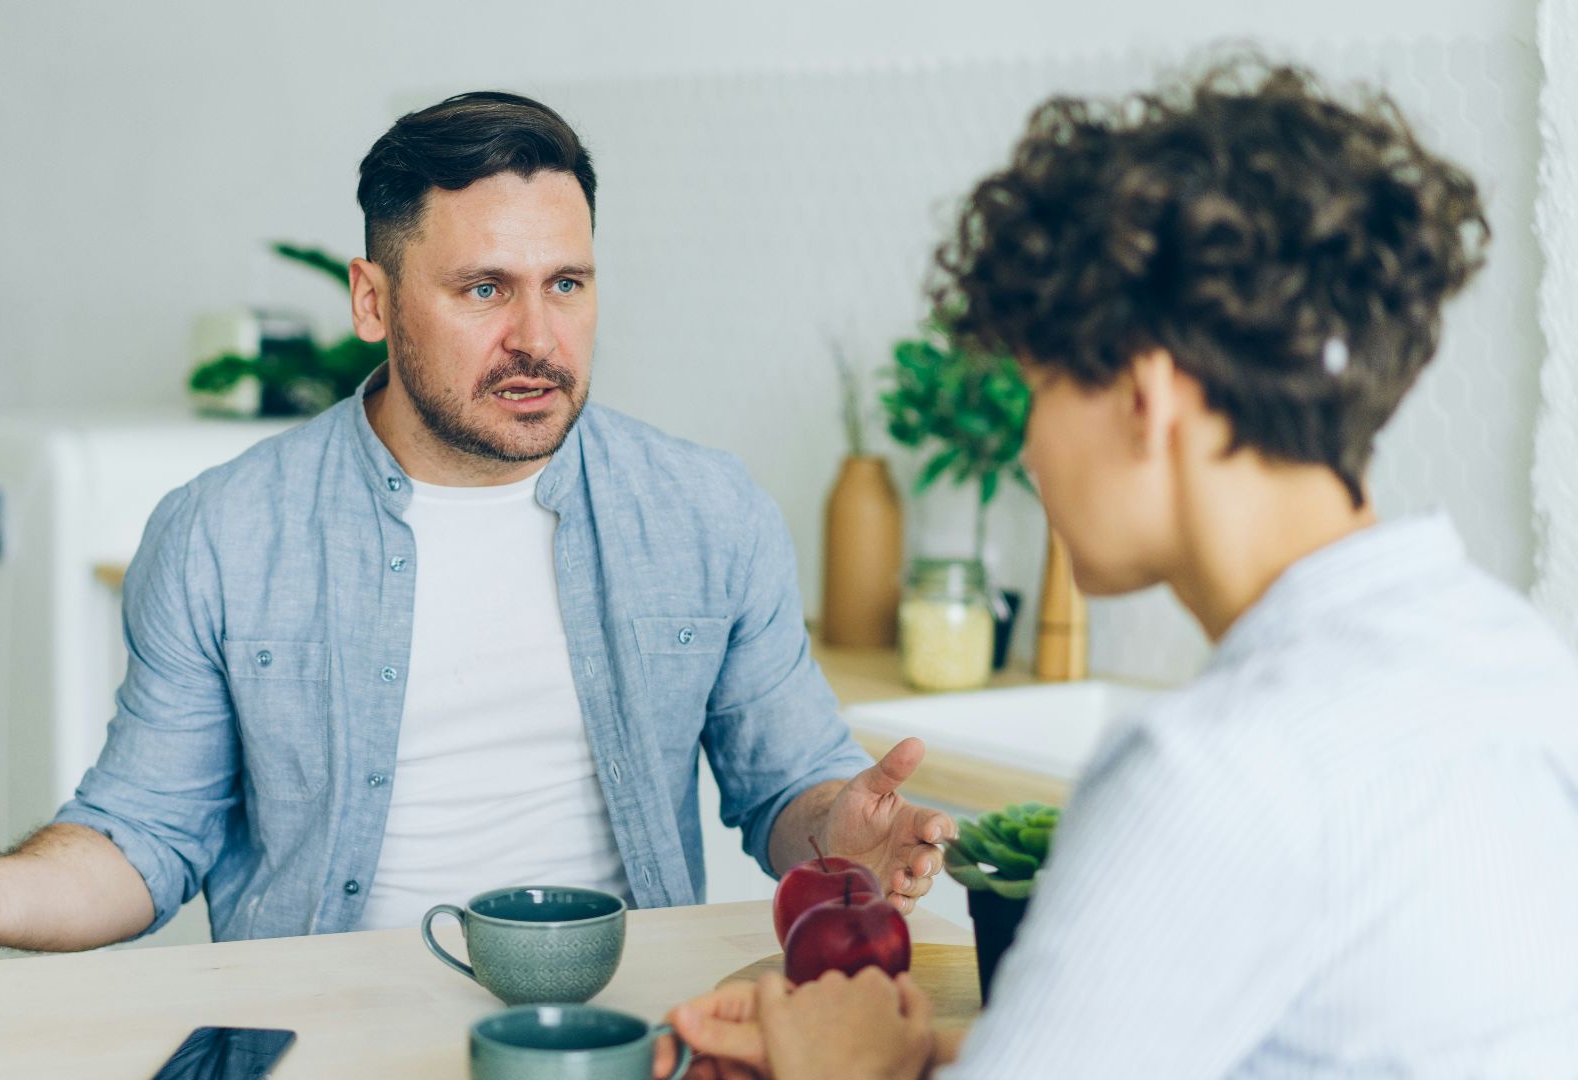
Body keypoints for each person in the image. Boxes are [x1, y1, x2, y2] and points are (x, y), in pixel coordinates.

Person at [0, 91, 955, 965]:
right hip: (322, 1030)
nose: (538, 338)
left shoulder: (706, 513)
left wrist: (839, 827)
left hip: (622, 1029)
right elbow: (141, 840)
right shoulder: (225, 534)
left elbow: (786, 790)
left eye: (569, 285)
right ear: (373, 299)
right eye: (484, 289)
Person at [658, 58, 1578, 1079]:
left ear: (1146, 399)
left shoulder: (1211, 773)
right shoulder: (1514, 659)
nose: (1027, 451)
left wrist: (847, 1065)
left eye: (1040, 388)